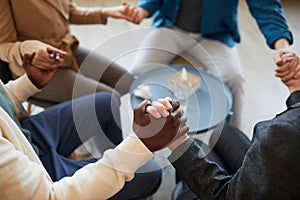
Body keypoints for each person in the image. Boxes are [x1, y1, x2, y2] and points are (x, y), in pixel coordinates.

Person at [0, 52, 189, 200]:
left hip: (22, 135)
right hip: (38, 175)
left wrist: (28, 83)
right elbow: (49, 196)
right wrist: (140, 146)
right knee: (150, 171)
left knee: (106, 102)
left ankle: (113, 174)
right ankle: (117, 176)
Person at [148, 52, 300, 199]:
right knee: (223, 132)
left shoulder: (282, 133)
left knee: (197, 147)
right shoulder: (284, 133)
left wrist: (178, 141)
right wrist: (296, 92)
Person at [128, 0, 296, 129]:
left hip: (216, 36)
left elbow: (266, 6)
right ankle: (147, 130)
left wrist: (283, 47)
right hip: (170, 28)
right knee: (138, 71)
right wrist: (142, 10)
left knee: (233, 79)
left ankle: (233, 137)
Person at [0, 0, 137, 105]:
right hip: (35, 68)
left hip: (66, 50)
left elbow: (68, 12)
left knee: (126, 81)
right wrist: (26, 49)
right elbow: (3, 45)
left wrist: (105, 12)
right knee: (108, 100)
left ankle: (84, 123)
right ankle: (86, 131)